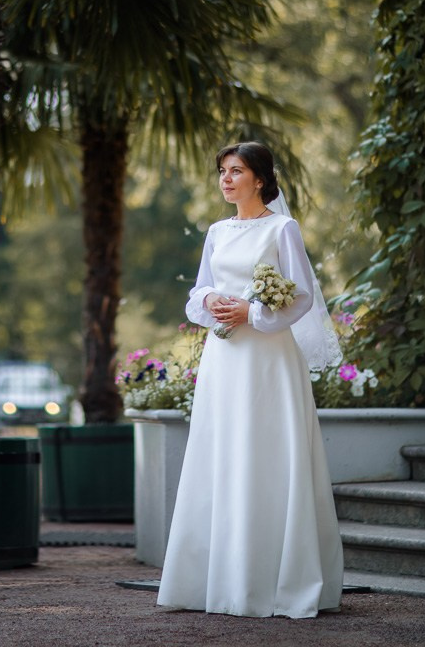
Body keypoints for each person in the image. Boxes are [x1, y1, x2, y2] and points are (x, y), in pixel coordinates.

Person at [156, 141, 345, 618]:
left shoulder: (283, 229)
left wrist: (253, 311)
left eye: (235, 170)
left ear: (259, 179)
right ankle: (216, 582)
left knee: (267, 454)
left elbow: (301, 297)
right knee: (223, 455)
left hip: (268, 360)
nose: (225, 179)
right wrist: (214, 303)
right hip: (224, 358)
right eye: (222, 170)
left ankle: (276, 582)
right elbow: (197, 291)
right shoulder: (217, 232)